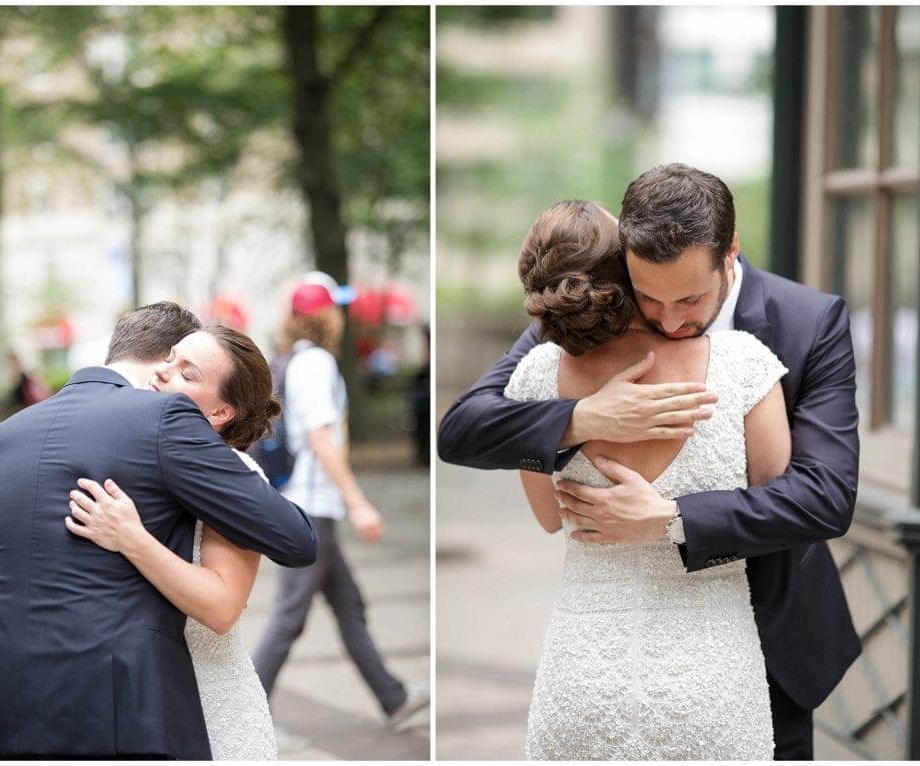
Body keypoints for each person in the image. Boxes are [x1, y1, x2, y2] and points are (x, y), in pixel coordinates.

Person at [438, 164, 861, 760]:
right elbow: (462, 430)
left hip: (775, 636)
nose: (667, 320)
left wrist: (670, 517)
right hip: (599, 650)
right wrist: (586, 418)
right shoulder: (585, 324)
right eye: (649, 297)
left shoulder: (808, 323)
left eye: (690, 299)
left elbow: (824, 497)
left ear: (729, 253)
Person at [0, 302, 317, 760]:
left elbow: (233, 594)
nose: (165, 376)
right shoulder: (155, 425)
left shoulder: (14, 431)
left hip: (37, 699)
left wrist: (132, 539)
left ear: (221, 411)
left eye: (186, 371)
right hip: (126, 700)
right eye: (171, 360)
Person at [501, 199, 787, 757]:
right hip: (710, 671)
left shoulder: (537, 373)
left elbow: (546, 519)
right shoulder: (740, 362)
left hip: (583, 670)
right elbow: (778, 511)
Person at [251, 272, 430, 734]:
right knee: (290, 616)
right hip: (311, 507)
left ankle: (392, 697)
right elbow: (319, 438)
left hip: (305, 504)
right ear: (324, 316)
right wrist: (359, 502)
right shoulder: (316, 366)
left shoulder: (289, 360)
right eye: (337, 308)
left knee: (348, 604)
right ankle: (243, 709)